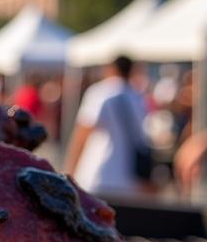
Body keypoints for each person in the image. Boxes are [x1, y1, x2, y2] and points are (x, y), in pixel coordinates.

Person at [64, 55, 150, 197]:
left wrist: (70, 169)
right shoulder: (137, 96)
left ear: (111, 69)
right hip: (129, 179)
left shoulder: (101, 93)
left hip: (98, 173)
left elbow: (82, 132)